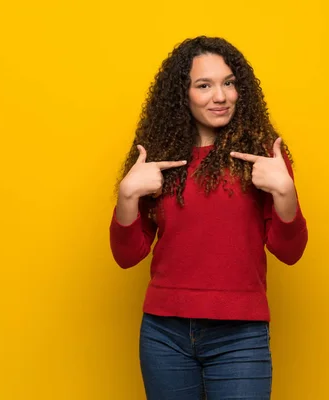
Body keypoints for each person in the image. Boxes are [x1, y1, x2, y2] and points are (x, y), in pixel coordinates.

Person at [109, 36, 308, 400]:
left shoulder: (263, 155)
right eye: (204, 85)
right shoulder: (158, 156)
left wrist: (285, 193)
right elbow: (127, 256)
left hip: (240, 335)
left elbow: (290, 251)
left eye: (229, 83)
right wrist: (126, 195)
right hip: (163, 334)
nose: (221, 96)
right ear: (181, 94)